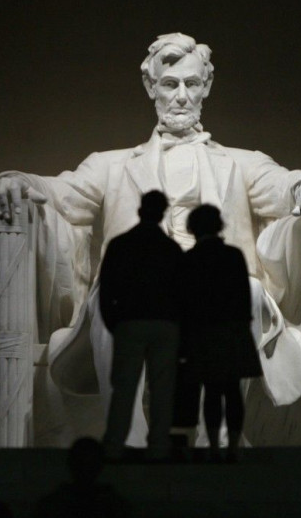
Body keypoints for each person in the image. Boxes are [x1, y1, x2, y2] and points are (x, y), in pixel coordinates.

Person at [0, 32, 301, 447]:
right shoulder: (110, 165)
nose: (181, 95)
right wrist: (15, 181)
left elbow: (283, 184)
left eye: (192, 84)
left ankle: (215, 438)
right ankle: (134, 439)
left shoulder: (243, 164)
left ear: (207, 87)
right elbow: (59, 194)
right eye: (169, 83)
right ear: (151, 88)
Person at [98, 190, 183, 461]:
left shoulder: (121, 245)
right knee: (162, 390)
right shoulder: (170, 249)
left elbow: (106, 289)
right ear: (161, 214)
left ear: (140, 211)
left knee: (123, 387)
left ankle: (114, 445)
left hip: (130, 324)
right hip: (163, 326)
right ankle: (158, 445)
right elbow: (182, 293)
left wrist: (115, 323)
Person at [177, 205, 262, 462]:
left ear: (192, 229)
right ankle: (233, 446)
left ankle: (214, 446)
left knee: (212, 391)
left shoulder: (190, 259)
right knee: (233, 390)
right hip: (232, 330)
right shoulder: (234, 255)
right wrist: (242, 327)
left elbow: (185, 304)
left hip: (203, 333)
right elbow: (243, 297)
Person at [31, 437, 129, 518]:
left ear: (70, 463)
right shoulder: (114, 505)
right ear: (100, 467)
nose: (85, 469)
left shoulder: (52, 505)